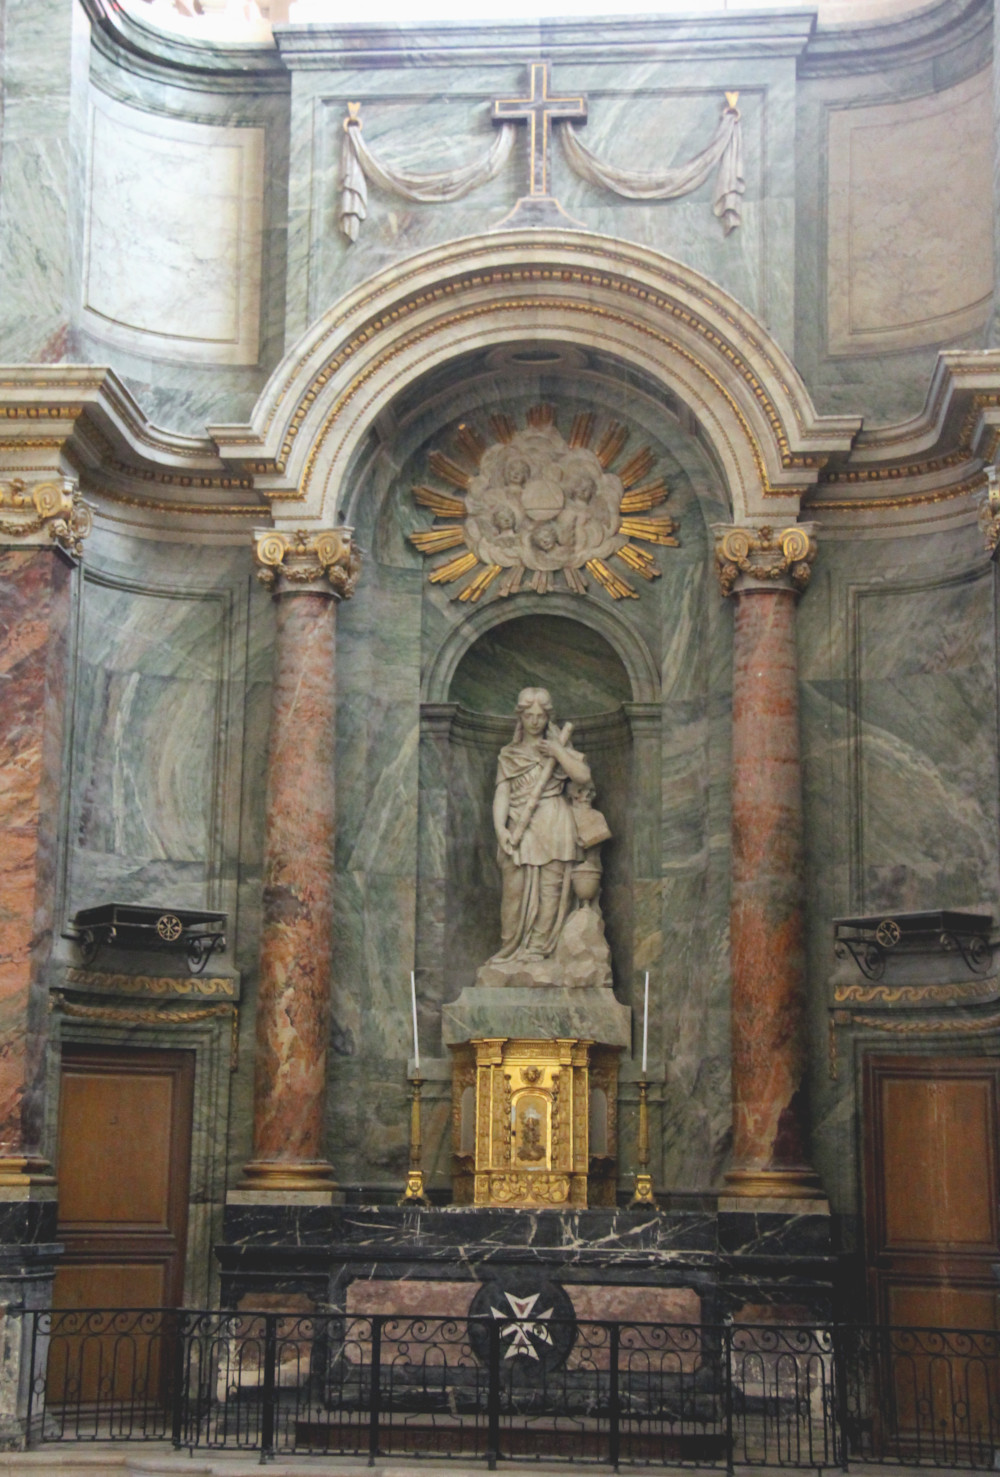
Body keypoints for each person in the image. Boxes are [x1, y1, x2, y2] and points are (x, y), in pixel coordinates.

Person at [489, 688, 592, 962]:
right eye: (529, 715)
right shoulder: (509, 754)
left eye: (540, 716)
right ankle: (511, 949)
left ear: (548, 717)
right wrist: (501, 829)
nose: (534, 721)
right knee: (514, 893)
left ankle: (538, 949)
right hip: (519, 826)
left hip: (554, 821)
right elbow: (502, 793)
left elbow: (582, 776)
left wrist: (558, 751)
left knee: (551, 889)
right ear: (520, 717)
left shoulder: (559, 748)